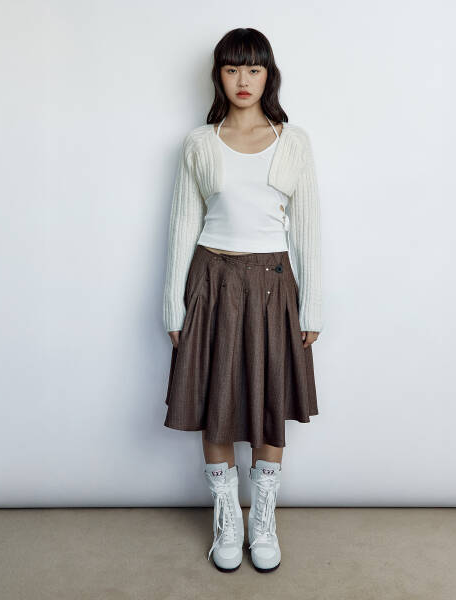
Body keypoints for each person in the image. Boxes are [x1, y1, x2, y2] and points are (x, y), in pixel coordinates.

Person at [162, 27, 323, 573]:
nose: (243, 80)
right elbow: (182, 228)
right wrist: (173, 307)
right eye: (232, 69)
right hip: (211, 282)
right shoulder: (199, 143)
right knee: (216, 399)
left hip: (274, 284)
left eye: (254, 69)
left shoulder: (292, 141)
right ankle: (227, 516)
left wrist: (313, 306)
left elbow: (308, 230)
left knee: (270, 396)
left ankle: (263, 519)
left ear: (268, 75)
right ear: (219, 76)